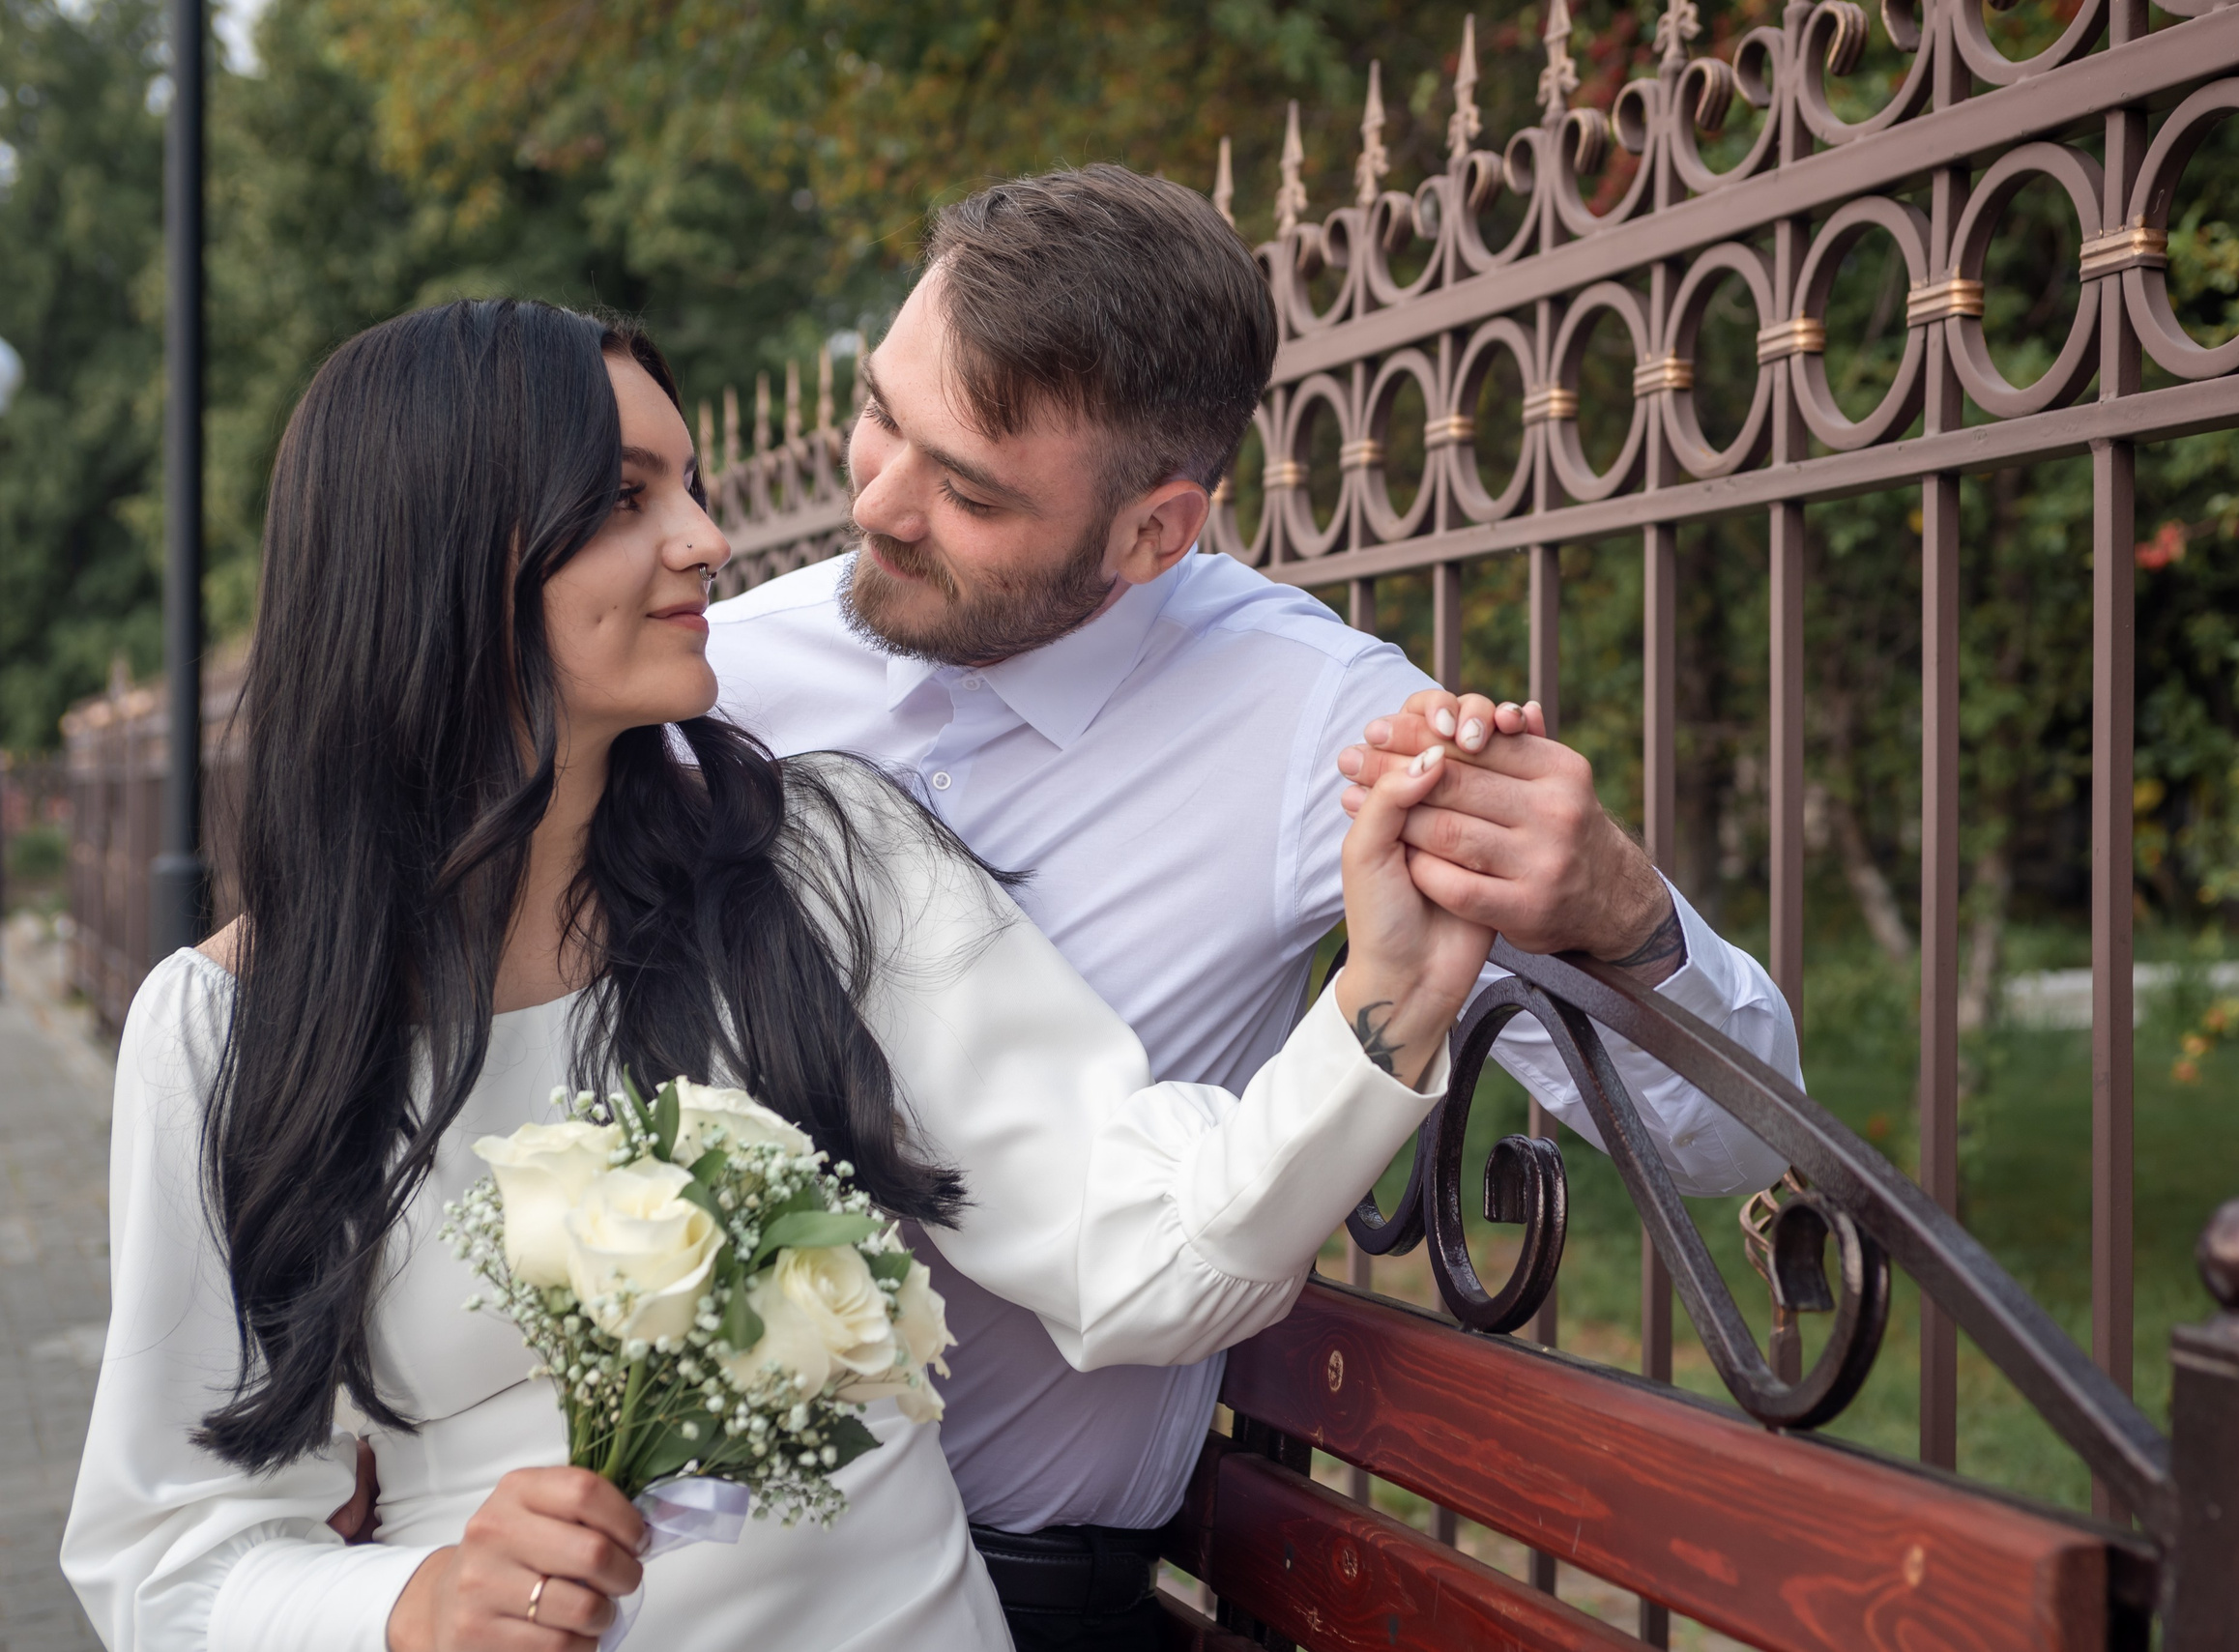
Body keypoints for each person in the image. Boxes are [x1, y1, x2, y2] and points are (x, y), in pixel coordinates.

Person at [59, 299, 1499, 1652]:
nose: (707, 537)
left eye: (688, 484)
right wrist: (412, 1605)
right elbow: (170, 1551)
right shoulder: (230, 1030)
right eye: (628, 498)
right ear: (442, 550)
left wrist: (1388, 995)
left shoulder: (820, 864)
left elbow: (1135, 1250)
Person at [706, 164, 1799, 1650]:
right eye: (884, 415)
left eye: (968, 490)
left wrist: (1619, 908)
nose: (877, 502)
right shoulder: (725, 670)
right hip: (690, 1571)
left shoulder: (1319, 727)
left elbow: (1732, 1136)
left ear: (1156, 532)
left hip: (1032, 1594)